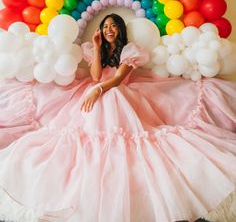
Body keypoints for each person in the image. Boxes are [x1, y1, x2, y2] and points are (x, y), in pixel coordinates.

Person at [0, 13, 236, 222]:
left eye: (113, 25)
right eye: (105, 26)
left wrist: (100, 90)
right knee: (82, 124)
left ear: (120, 29)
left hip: (117, 92)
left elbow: (116, 79)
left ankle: (116, 151)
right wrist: (95, 47)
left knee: (115, 109)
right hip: (97, 89)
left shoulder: (129, 51)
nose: (108, 29)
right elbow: (95, 76)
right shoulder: (98, 49)